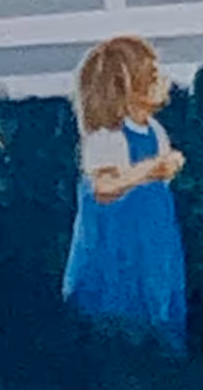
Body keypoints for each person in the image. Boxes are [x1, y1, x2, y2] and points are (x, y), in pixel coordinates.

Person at [61, 35, 188, 354]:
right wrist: (152, 170)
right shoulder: (107, 137)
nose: (164, 81)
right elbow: (103, 187)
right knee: (117, 320)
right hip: (115, 247)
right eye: (154, 75)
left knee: (158, 310)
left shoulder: (155, 131)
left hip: (152, 244)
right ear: (128, 86)